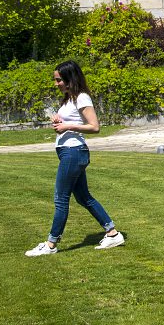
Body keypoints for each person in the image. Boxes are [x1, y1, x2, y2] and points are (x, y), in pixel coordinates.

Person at [25, 60, 125, 256]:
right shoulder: (69, 98)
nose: (56, 84)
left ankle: (51, 244)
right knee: (83, 197)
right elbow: (72, 121)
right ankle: (112, 234)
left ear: (70, 78)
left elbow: (95, 127)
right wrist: (59, 120)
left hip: (74, 152)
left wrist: (67, 126)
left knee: (61, 199)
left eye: (59, 80)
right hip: (69, 152)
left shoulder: (82, 98)